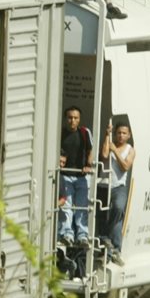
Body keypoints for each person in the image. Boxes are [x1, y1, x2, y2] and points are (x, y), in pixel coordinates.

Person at [59, 106, 94, 248]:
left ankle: (82, 235)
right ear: (65, 119)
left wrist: (88, 165)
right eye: (69, 118)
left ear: (79, 119)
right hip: (65, 175)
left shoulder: (85, 133)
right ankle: (67, 234)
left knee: (81, 206)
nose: (72, 121)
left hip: (81, 176)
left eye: (75, 118)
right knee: (66, 207)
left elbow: (90, 150)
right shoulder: (60, 133)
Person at [101, 120, 134, 262]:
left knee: (119, 208)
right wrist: (107, 135)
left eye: (124, 133)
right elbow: (103, 155)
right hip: (104, 184)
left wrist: (115, 151)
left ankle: (105, 236)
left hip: (118, 186)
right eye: (119, 133)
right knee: (111, 217)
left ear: (128, 135)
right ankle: (114, 249)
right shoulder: (110, 143)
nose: (121, 135)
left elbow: (125, 166)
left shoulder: (130, 150)